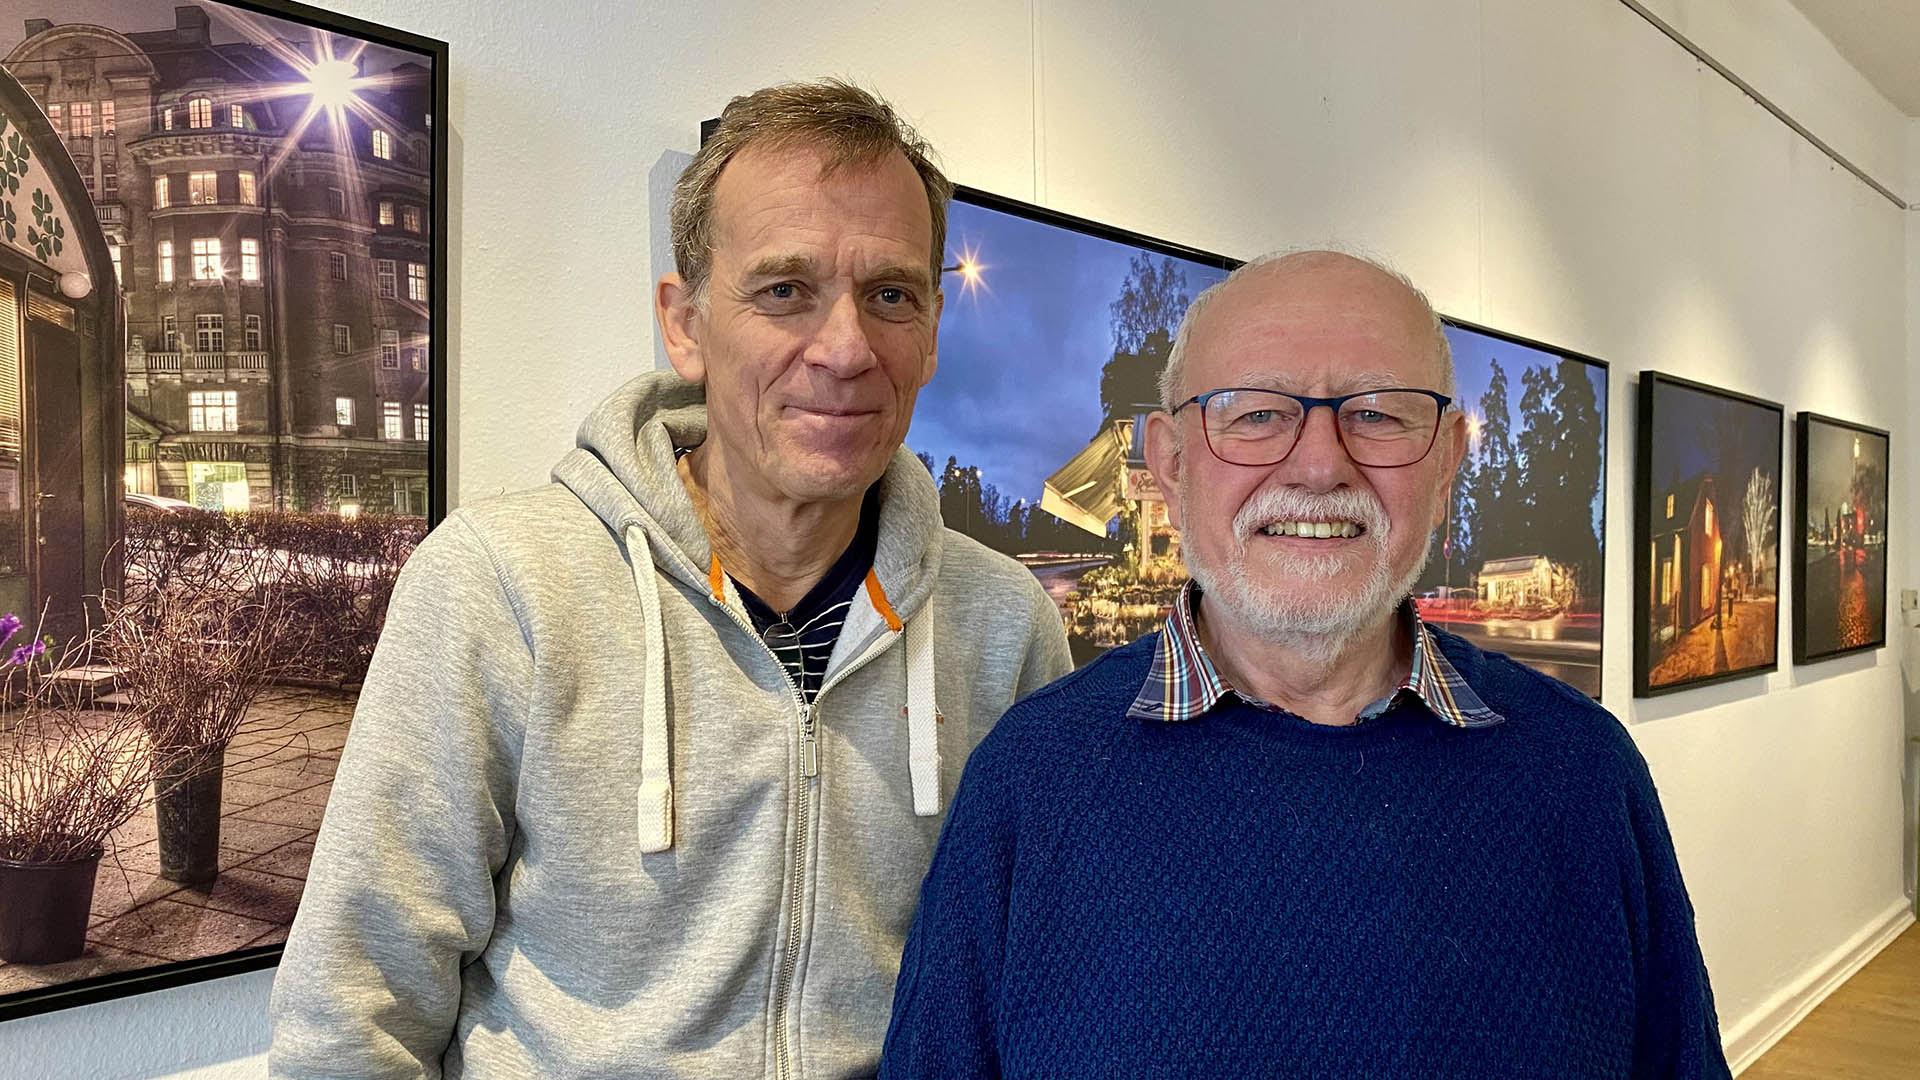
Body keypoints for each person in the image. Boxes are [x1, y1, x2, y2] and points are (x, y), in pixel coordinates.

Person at [270, 80, 1071, 1078]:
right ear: (684, 323)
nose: (846, 349)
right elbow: (353, 1015)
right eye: (785, 290)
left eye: (891, 295)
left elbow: (1035, 982)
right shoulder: (502, 588)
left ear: (934, 330)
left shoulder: (1004, 629)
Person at [880, 251, 1731, 1078]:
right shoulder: (1031, 782)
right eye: (1255, 414)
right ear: (1171, 465)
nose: (1321, 464)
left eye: (1378, 414)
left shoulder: (1583, 774)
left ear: (1445, 465)